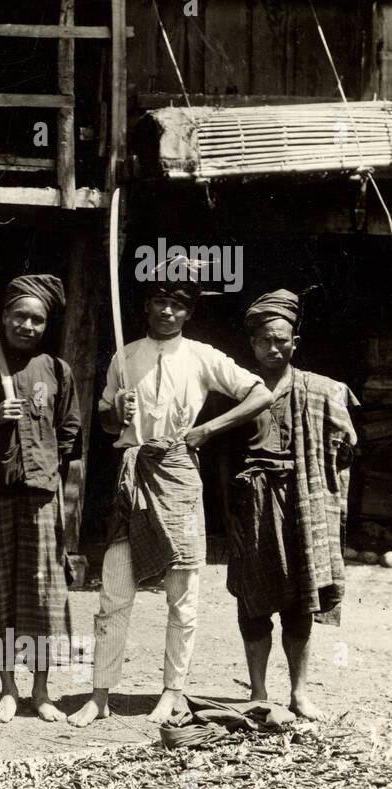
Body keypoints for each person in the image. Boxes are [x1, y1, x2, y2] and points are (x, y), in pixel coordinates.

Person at [68, 278, 272, 728]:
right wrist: (113, 410)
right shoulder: (125, 356)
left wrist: (209, 429)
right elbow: (105, 422)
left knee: (182, 595)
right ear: (147, 306)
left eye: (177, 306)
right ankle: (100, 695)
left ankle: (172, 692)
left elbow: (260, 392)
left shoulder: (201, 356)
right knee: (114, 590)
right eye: (159, 302)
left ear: (188, 313)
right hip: (132, 474)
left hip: (179, 472)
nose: (167, 312)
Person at [223, 289, 355, 721]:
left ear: (294, 342)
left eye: (282, 339)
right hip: (253, 505)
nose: (274, 347)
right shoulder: (236, 390)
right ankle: (259, 692)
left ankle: (298, 693)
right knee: (253, 600)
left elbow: (347, 448)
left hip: (303, 502)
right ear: (252, 344)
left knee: (301, 601)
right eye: (265, 340)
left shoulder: (319, 390)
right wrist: (228, 516)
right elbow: (221, 462)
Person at [0, 274, 80, 723]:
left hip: (43, 497)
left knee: (45, 595)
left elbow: (70, 436)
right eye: (20, 317)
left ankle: (42, 689)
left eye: (38, 319)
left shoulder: (56, 369)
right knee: (3, 594)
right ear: (4, 318)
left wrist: (61, 497)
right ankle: (7, 688)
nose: (28, 326)